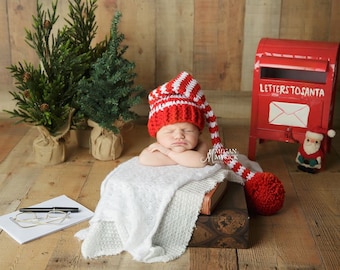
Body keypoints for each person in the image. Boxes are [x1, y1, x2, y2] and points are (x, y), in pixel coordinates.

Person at [138, 72, 209, 168]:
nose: (179, 136)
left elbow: (200, 161)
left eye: (187, 130)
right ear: (156, 135)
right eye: (169, 131)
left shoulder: (200, 145)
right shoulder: (159, 146)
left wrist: (168, 153)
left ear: (198, 133)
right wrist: (184, 159)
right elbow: (144, 159)